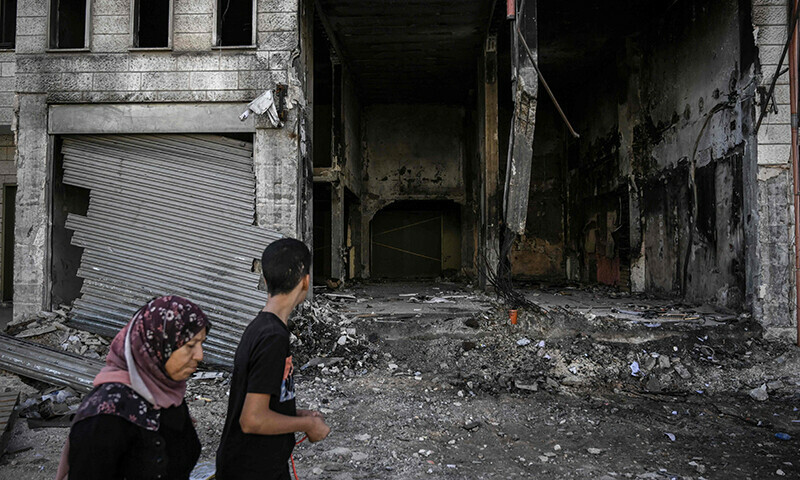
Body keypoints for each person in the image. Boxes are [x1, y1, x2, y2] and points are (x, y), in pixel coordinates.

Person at [55, 295, 210, 480]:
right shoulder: (106, 415)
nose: (200, 355)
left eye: (202, 343)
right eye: (190, 345)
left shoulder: (166, 395)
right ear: (157, 345)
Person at [216, 238, 330, 480]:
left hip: (254, 464)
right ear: (306, 282)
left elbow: (260, 403)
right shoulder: (272, 338)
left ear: (266, 281)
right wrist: (307, 425)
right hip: (253, 469)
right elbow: (252, 419)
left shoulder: (261, 328)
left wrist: (299, 414)